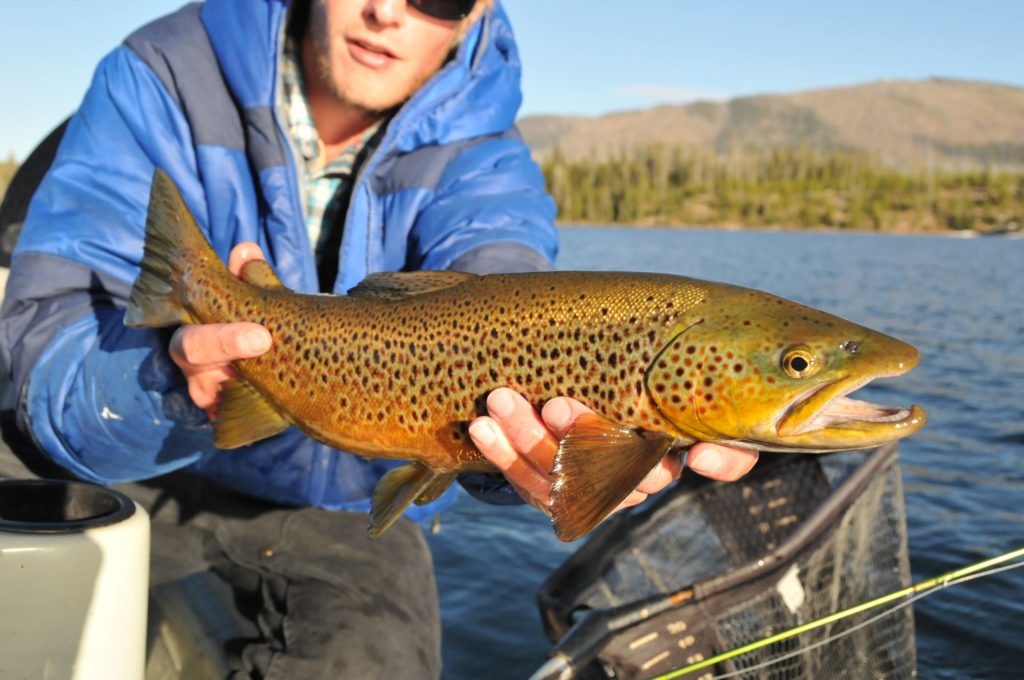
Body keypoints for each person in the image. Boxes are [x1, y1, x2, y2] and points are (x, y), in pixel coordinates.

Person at [0, 0, 758, 677]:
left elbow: (507, 284)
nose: (387, 12)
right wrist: (170, 386)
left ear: (476, 9)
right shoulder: (157, 78)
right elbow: (46, 351)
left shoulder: (487, 161)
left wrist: (531, 463)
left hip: (351, 508)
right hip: (139, 471)